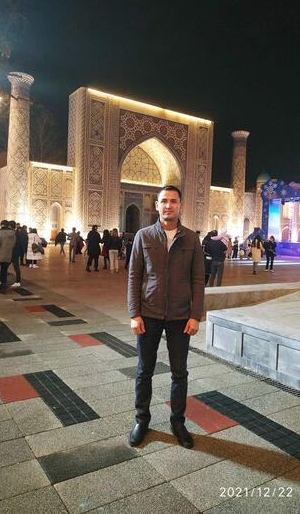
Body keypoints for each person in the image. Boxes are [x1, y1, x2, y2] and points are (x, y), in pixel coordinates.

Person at [127, 185, 204, 449]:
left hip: (180, 316)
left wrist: (195, 315)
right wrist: (134, 313)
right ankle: (141, 420)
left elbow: (198, 280)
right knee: (144, 371)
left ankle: (177, 422)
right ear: (157, 205)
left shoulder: (191, 239)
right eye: (164, 201)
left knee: (179, 372)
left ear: (180, 205)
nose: (168, 205)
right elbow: (134, 276)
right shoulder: (144, 236)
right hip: (149, 314)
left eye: (173, 201)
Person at [0, 220, 16, 294]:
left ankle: (2, 282)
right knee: (4, 271)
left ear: (2, 225)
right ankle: (3, 286)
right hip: (8, 254)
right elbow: (14, 244)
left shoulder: (0, 233)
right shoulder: (13, 234)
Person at [9, 220, 22, 287]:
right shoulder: (17, 233)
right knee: (16, 267)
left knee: (5, 266)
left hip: (12, 252)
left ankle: (2, 279)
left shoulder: (12, 233)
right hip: (16, 252)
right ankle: (18, 281)